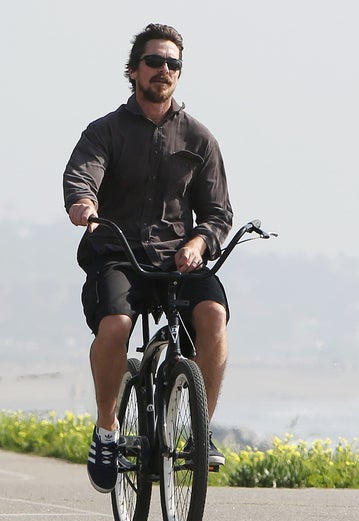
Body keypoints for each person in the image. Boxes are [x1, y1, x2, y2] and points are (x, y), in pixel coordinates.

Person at [64, 23, 233, 493]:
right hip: (116, 255)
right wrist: (84, 205)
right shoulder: (105, 131)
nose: (164, 70)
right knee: (115, 326)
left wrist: (198, 244)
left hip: (177, 261)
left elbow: (218, 212)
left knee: (214, 315)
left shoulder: (199, 138)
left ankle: (197, 429)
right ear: (134, 69)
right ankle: (106, 429)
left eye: (172, 63)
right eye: (154, 61)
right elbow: (82, 177)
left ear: (180, 73)